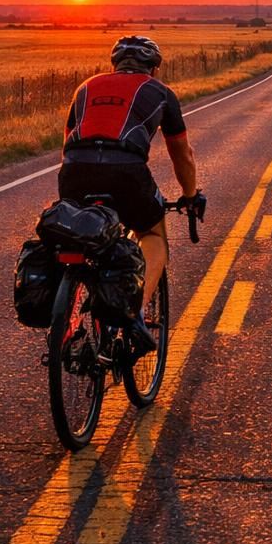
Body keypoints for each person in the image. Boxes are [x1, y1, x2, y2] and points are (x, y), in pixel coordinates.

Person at [58, 34, 197, 354]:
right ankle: (133, 312)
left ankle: (70, 318)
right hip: (127, 172)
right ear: (154, 68)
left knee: (83, 235)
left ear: (115, 64)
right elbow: (181, 154)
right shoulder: (161, 92)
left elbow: (68, 144)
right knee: (153, 236)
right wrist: (190, 194)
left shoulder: (86, 87)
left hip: (74, 172)